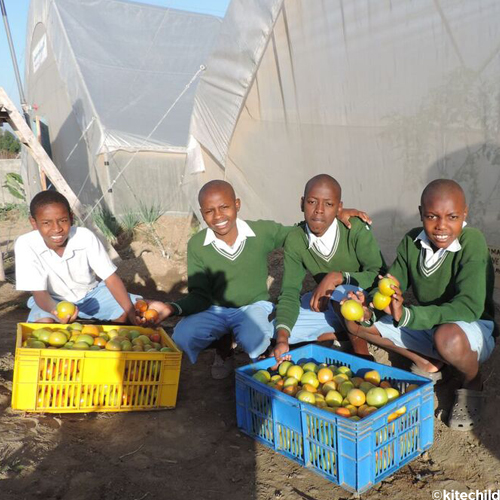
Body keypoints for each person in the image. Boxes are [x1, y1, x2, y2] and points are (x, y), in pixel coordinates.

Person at [148, 180, 370, 379]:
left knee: (256, 338)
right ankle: (224, 350)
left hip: (253, 306)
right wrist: (172, 307)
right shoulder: (198, 245)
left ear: (237, 204)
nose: (218, 217)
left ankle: (259, 359)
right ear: (202, 213)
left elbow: (298, 232)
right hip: (216, 310)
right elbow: (199, 296)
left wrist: (334, 215)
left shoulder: (260, 232)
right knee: (183, 336)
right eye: (209, 211)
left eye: (224, 207)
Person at [344, 179, 496, 431]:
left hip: (468, 330)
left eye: (452, 216)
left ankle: (471, 382)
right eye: (432, 216)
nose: (442, 226)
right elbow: (392, 285)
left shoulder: (473, 242)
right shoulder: (412, 241)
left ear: (465, 214)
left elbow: (468, 307)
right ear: (421, 213)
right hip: (428, 324)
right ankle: (429, 362)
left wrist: (407, 317)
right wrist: (369, 306)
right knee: (353, 318)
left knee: (447, 337)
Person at [272, 174, 385, 362]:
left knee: (341, 293)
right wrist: (282, 338)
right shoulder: (295, 238)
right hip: (331, 305)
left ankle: (362, 357)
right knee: (276, 328)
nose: (319, 211)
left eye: (329, 204)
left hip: (364, 303)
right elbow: (290, 290)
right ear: (302, 203)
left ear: (339, 207)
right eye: (312, 202)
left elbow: (378, 273)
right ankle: (345, 334)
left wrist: (339, 277)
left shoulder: (354, 229)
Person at [15, 190, 141, 325]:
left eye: (63, 221)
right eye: (47, 223)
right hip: (51, 301)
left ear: (71, 217)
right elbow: (39, 293)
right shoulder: (26, 244)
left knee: (155, 309)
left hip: (90, 296)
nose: (57, 229)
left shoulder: (84, 236)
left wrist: (129, 310)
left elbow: (110, 278)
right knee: (44, 324)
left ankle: (112, 325)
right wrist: (56, 311)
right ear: (34, 222)